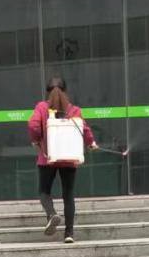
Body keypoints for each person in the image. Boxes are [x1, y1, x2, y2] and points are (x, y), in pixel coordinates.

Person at [27, 76, 97, 243]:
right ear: (65, 91)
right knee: (68, 195)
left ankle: (51, 214)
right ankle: (69, 233)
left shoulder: (42, 107)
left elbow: (33, 125)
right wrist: (91, 143)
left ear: (47, 92)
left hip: (48, 158)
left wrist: (36, 140)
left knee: (44, 191)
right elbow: (84, 129)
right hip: (69, 158)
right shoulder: (74, 110)